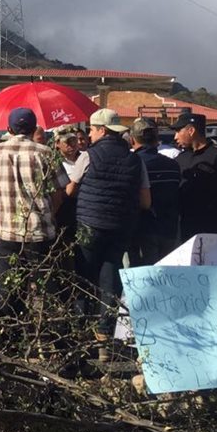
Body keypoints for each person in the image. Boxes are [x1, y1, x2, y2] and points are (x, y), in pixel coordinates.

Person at [66, 109, 150, 340]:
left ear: (102, 130)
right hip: (121, 227)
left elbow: (71, 189)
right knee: (110, 278)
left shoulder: (89, 156)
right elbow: (145, 201)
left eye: (92, 130)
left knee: (84, 276)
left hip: (88, 225)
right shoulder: (135, 159)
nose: (90, 135)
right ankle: (104, 331)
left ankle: (80, 328)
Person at [0, 108, 64, 313]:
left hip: (8, 232)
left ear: (9, 128)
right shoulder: (45, 153)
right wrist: (49, 214)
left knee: (9, 287)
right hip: (41, 231)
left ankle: (10, 335)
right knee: (47, 288)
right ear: (34, 128)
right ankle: (49, 334)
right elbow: (58, 193)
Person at [172, 112, 217, 239]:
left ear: (191, 130)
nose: (175, 137)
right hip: (186, 224)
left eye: (178, 131)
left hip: (212, 226)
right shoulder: (181, 158)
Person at [130, 118, 181, 266]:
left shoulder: (133, 163)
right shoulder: (173, 165)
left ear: (133, 139)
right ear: (156, 139)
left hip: (142, 230)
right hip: (169, 229)